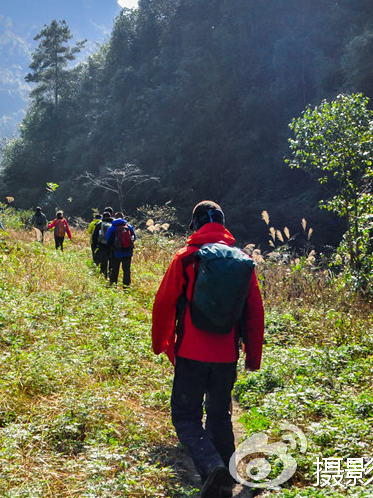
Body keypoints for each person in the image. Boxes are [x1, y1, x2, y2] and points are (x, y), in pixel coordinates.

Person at [150, 201, 264, 498]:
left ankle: (212, 467)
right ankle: (229, 475)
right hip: (226, 355)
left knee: (186, 415)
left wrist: (160, 342)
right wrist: (253, 355)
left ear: (195, 225)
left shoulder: (186, 258)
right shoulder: (243, 261)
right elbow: (254, 312)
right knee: (218, 413)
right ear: (222, 224)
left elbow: (163, 303)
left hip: (190, 351)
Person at [105, 212, 137, 286]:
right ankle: (126, 286)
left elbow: (107, 239)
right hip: (128, 252)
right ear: (123, 217)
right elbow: (134, 237)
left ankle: (113, 284)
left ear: (115, 217)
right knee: (126, 270)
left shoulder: (112, 227)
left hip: (116, 252)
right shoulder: (128, 226)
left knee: (115, 269)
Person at [90, 208, 113, 277]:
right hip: (111, 245)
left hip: (102, 245)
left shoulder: (99, 224)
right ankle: (111, 274)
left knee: (104, 260)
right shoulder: (113, 224)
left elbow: (95, 236)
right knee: (111, 260)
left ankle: (104, 275)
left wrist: (95, 245)